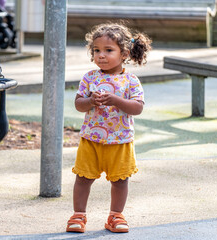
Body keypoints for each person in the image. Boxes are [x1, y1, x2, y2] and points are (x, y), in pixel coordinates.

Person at [66, 22, 152, 233]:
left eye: (108, 50)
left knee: (120, 181)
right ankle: (78, 215)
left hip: (120, 141)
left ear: (124, 54)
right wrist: (91, 102)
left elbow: (137, 108)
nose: (101, 55)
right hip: (91, 140)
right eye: (96, 50)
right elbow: (78, 104)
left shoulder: (131, 81)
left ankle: (115, 216)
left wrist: (116, 100)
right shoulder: (89, 78)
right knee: (83, 178)